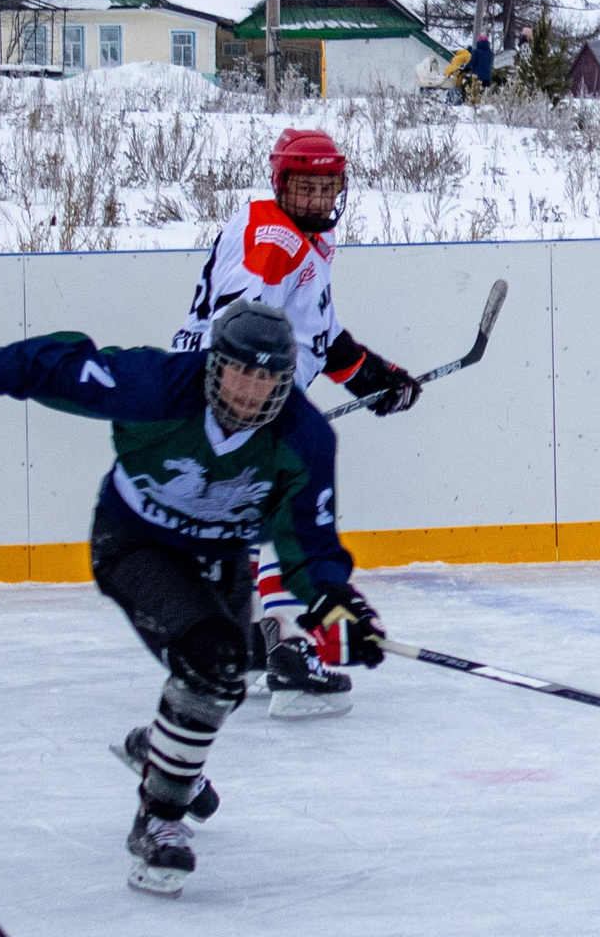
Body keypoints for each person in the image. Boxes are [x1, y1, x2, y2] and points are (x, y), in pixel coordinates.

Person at [0, 299, 386, 897]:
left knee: (226, 680)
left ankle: (157, 752)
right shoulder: (157, 385)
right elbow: (50, 368)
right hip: (136, 544)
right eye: (241, 371)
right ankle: (159, 820)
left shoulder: (306, 437)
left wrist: (336, 604)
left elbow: (309, 544)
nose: (251, 390)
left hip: (222, 558)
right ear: (214, 364)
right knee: (212, 660)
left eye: (268, 377)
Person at [173, 126, 420, 719]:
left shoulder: (303, 241)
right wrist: (249, 412)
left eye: (325, 187)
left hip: (242, 396)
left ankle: (252, 646)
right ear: (280, 184)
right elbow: (241, 327)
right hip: (236, 394)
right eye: (303, 186)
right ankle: (290, 647)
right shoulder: (272, 239)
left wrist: (374, 377)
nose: (315, 198)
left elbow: (320, 338)